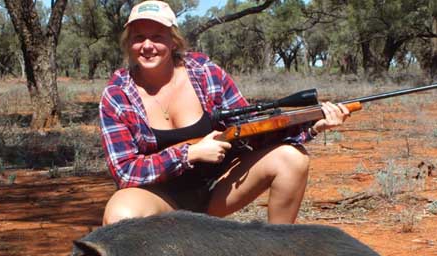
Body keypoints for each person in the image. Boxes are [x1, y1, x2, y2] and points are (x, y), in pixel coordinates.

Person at [99, 0, 350, 225]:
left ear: (173, 40)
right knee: (121, 214)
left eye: (157, 36)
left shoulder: (206, 73)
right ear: (128, 43)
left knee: (292, 158)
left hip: (218, 190)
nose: (147, 45)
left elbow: (252, 128)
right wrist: (190, 154)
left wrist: (312, 126)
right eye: (138, 37)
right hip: (160, 198)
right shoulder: (117, 95)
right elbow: (125, 172)